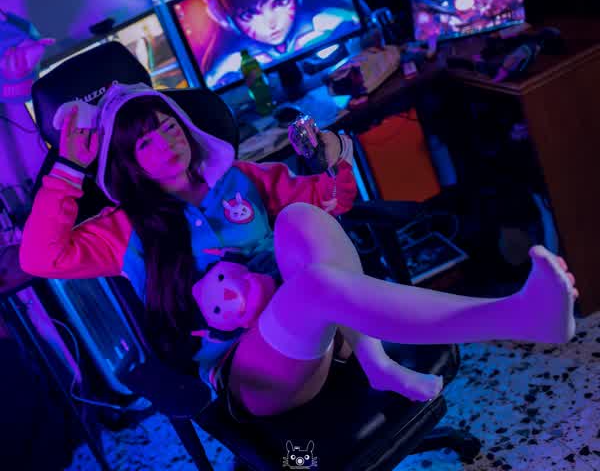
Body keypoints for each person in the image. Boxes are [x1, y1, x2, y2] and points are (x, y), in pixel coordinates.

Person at [20, 83, 578, 417]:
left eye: (167, 126)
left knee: (300, 218)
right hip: (251, 373)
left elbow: (332, 201)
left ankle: (377, 363)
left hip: (325, 336)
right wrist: (68, 166)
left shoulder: (241, 178)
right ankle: (516, 316)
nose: (165, 143)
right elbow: (38, 257)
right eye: (145, 142)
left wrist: (331, 157)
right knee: (314, 289)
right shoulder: (123, 229)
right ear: (128, 161)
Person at [201, 0, 363, 88]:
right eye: (248, 15)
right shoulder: (229, 63)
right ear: (229, 21)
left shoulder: (329, 22)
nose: (271, 23)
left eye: (281, 1)